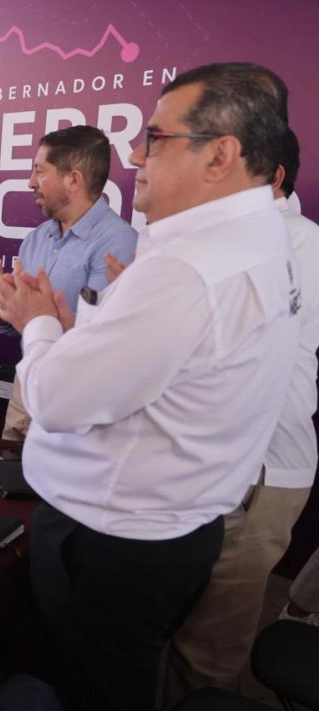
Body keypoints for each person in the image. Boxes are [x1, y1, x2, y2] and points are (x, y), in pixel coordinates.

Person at [0, 62, 298, 711]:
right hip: (165, 528)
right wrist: (82, 329)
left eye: (155, 138)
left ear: (220, 155)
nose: (134, 155)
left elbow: (58, 399)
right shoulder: (258, 238)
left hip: (114, 542)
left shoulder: (188, 266)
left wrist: (37, 323)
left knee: (86, 690)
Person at [165, 125, 319, 700]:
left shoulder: (300, 244)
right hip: (215, 468)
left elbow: (234, 354)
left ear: (274, 177)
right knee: (181, 631)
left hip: (257, 475)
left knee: (208, 652)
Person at [0, 125, 137, 440]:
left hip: (78, 397)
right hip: (26, 384)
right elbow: (23, 327)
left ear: (73, 180)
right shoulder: (37, 238)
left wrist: (28, 314)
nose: (30, 182)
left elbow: (98, 339)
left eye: (39, 171)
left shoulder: (118, 243)